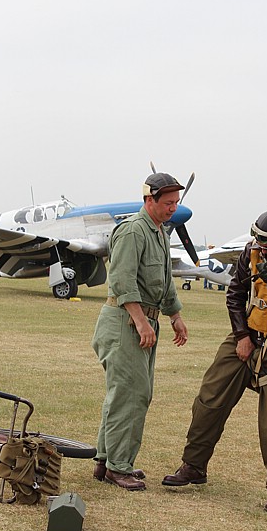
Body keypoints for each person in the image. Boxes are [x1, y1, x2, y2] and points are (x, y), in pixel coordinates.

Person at [162, 210, 267, 512]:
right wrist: (241, 336)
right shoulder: (251, 252)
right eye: (258, 243)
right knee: (208, 400)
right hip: (247, 339)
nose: (261, 250)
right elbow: (235, 294)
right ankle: (193, 466)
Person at [92, 172, 189, 491]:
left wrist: (175, 315)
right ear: (149, 200)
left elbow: (164, 277)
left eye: (176, 202)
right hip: (124, 321)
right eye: (168, 202)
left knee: (129, 392)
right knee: (131, 393)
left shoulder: (159, 231)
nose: (173, 208)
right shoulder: (133, 231)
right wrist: (140, 321)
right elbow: (121, 280)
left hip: (143, 319)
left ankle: (107, 461)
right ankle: (118, 467)